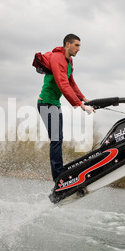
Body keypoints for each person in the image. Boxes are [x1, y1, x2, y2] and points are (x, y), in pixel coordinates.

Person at [36, 34, 95, 182]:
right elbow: (63, 84)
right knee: (56, 139)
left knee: (59, 138)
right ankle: (58, 177)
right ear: (67, 45)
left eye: (80, 46)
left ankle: (59, 172)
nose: (79, 49)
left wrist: (84, 98)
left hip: (54, 103)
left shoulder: (69, 61)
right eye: (77, 45)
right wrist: (80, 105)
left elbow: (71, 82)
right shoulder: (57, 57)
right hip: (46, 103)